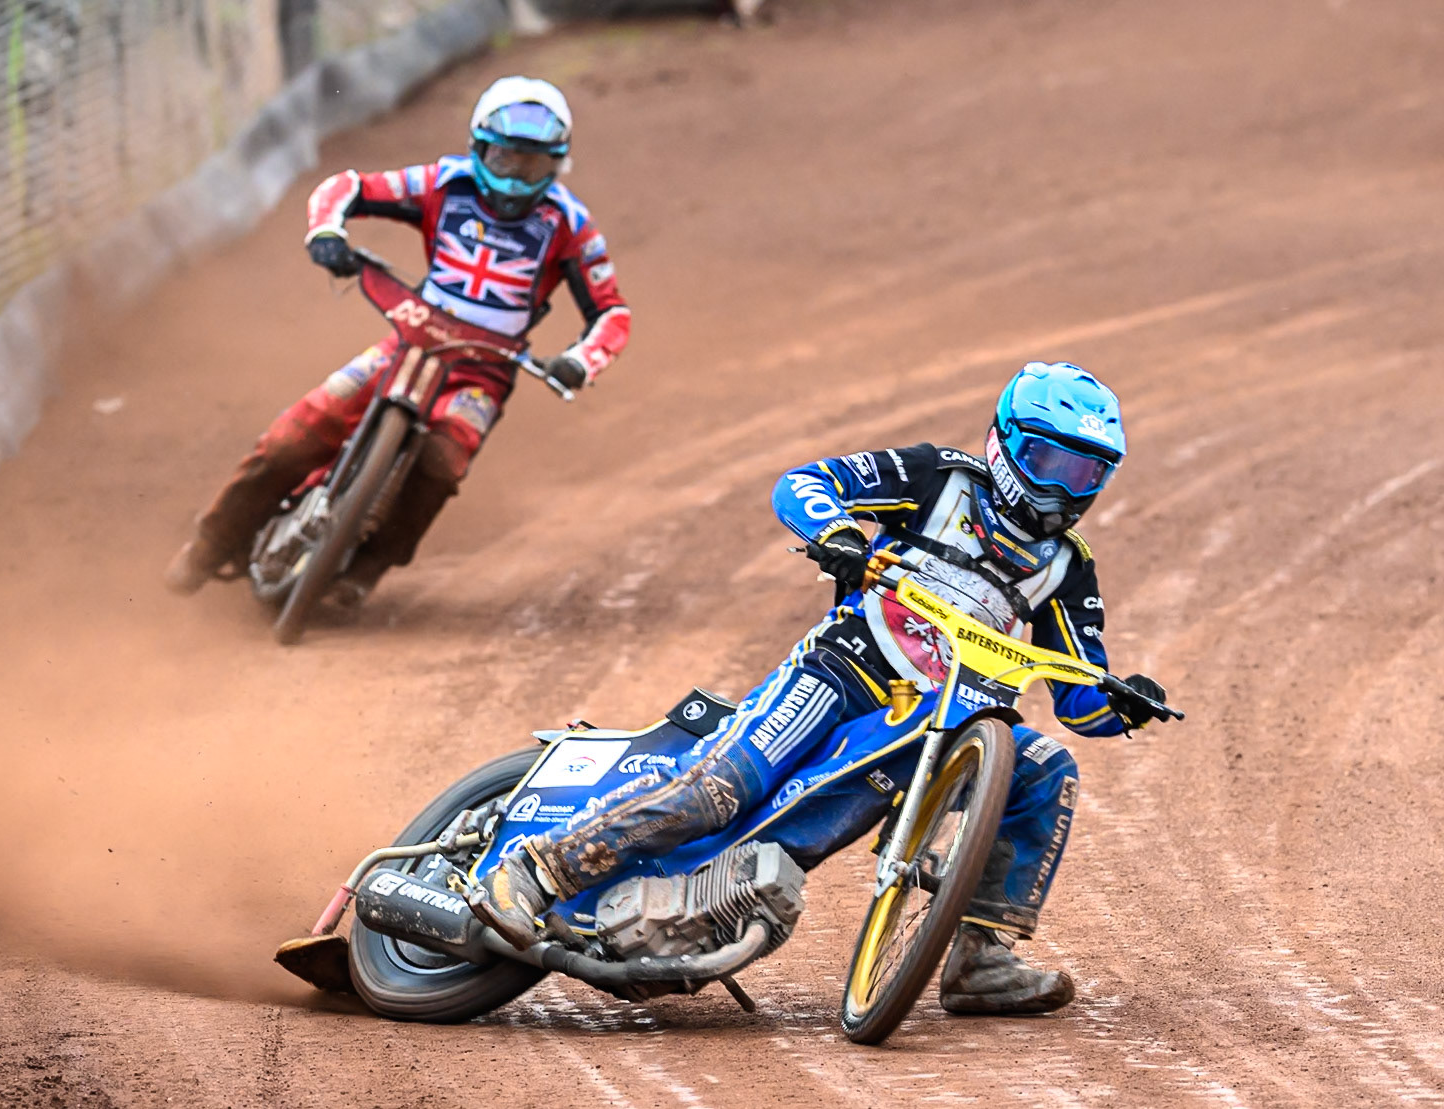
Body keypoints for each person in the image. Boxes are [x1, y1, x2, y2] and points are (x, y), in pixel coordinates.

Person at [471, 361, 1175, 1015]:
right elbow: (805, 483)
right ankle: (535, 873)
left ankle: (980, 958)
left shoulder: (1067, 567)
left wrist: (1125, 701)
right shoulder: (938, 477)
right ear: (1005, 443)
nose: (1064, 488)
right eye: (1052, 462)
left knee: (1047, 767)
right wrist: (837, 533)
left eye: (1087, 472)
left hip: (948, 720)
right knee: (723, 787)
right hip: (844, 672)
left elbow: (1080, 694)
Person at [165, 76, 631, 600]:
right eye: (505, 159)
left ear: (558, 165)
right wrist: (326, 232)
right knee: (292, 438)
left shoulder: (572, 225)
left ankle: (369, 566)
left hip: (482, 373)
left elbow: (611, 312)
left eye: (534, 165)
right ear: (478, 148)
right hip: (409, 343)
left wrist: (579, 361)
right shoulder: (443, 184)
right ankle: (210, 546)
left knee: (441, 464)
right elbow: (348, 187)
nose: (515, 179)